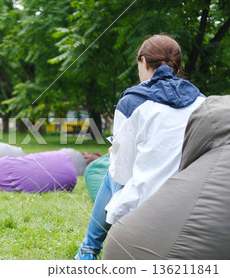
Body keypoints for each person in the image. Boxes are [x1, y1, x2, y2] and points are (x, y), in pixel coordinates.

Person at [74, 34, 205, 260]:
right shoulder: (201, 101)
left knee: (111, 172)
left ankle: (87, 251)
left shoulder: (132, 101)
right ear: (177, 65)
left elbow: (121, 171)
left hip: (146, 208)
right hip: (192, 201)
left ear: (143, 61)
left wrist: (114, 154)